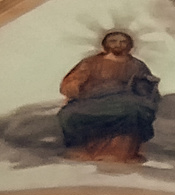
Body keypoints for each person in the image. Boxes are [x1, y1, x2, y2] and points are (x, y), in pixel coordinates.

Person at [58, 31, 158, 163]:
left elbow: (145, 89)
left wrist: (145, 86)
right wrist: (77, 89)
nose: (118, 44)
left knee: (133, 110)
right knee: (69, 114)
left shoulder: (137, 65)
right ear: (105, 44)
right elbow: (71, 83)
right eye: (113, 41)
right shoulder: (91, 62)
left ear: (129, 45)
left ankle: (122, 153)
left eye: (123, 42)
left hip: (124, 100)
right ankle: (82, 150)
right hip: (92, 100)